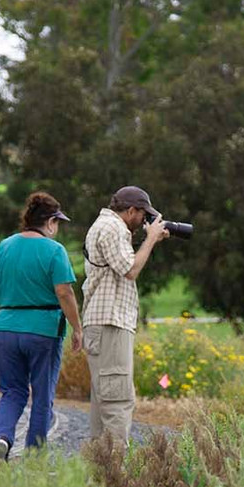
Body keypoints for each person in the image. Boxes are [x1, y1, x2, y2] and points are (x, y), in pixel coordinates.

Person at [0, 192, 82, 460]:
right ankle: (35, 457)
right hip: (43, 330)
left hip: (5, 327)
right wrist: (77, 328)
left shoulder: (5, 245)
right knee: (42, 395)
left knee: (12, 391)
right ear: (50, 222)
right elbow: (64, 292)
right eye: (57, 223)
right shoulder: (54, 250)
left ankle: (3, 439)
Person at [81, 186, 169, 442]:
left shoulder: (109, 227)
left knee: (104, 401)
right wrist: (151, 239)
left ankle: (101, 473)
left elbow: (121, 264)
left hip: (104, 323)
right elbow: (129, 269)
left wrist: (148, 239)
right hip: (110, 323)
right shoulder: (113, 228)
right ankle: (116, 475)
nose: (145, 221)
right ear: (131, 210)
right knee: (118, 400)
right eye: (143, 215)